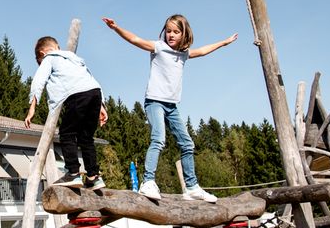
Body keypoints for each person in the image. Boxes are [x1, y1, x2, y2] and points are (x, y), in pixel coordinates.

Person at [102, 15, 237, 201]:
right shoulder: (158, 47)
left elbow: (204, 51)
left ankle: (191, 187)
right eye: (168, 31)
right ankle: (148, 182)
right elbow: (135, 39)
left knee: (187, 144)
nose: (171, 35)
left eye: (176, 31)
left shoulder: (184, 54)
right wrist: (116, 28)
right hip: (154, 102)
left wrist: (224, 42)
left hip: (172, 106)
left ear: (184, 34)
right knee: (158, 139)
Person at [25, 36, 108, 188]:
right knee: (86, 138)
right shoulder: (74, 58)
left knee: (67, 133)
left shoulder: (49, 58)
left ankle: (73, 173)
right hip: (94, 93)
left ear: (43, 53)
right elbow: (90, 77)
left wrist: (32, 107)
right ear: (57, 46)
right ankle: (93, 176)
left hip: (77, 95)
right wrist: (101, 105)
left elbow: (39, 80)